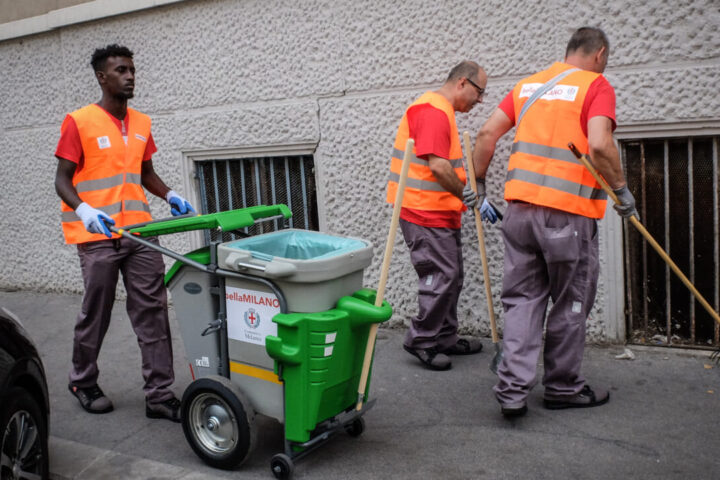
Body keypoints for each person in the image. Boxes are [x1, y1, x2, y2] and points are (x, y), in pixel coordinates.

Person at [472, 27, 637, 416]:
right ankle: (562, 388)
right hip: (567, 217)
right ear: (598, 54)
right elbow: (599, 144)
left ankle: (512, 393)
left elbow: (485, 133)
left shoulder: (528, 86)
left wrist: (479, 185)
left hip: (520, 214)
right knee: (570, 302)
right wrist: (621, 189)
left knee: (523, 302)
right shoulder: (596, 85)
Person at [54, 44, 196, 422]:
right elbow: (62, 179)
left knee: (152, 311)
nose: (130, 76)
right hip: (97, 236)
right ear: (102, 77)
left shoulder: (142, 123)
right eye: (121, 70)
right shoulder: (79, 121)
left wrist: (170, 194)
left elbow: (145, 171)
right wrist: (83, 209)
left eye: (132, 69)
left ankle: (160, 394)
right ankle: (82, 381)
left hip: (140, 234)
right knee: (95, 313)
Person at [387, 61, 498, 371]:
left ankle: (444, 335)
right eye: (479, 92)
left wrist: (463, 195)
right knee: (441, 277)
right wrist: (465, 192)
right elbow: (437, 167)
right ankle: (421, 340)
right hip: (424, 211)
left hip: (438, 211)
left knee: (452, 276)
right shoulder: (433, 110)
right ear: (462, 83)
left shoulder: (441, 111)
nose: (479, 100)